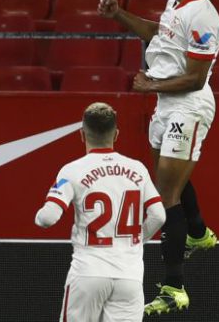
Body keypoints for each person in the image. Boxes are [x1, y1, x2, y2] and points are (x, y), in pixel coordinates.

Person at [97, 0, 219, 314]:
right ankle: (198, 232)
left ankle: (174, 287)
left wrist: (152, 83)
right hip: (165, 103)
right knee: (170, 180)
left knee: (166, 194)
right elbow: (159, 35)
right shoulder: (175, 4)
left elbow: (197, 78)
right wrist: (120, 14)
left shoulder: (203, 17)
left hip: (188, 106)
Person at [35, 102, 166, 322]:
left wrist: (39, 216)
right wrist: (135, 240)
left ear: (81, 134)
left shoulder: (72, 170)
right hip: (129, 276)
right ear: (116, 134)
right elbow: (159, 215)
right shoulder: (137, 169)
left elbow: (47, 218)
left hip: (88, 272)